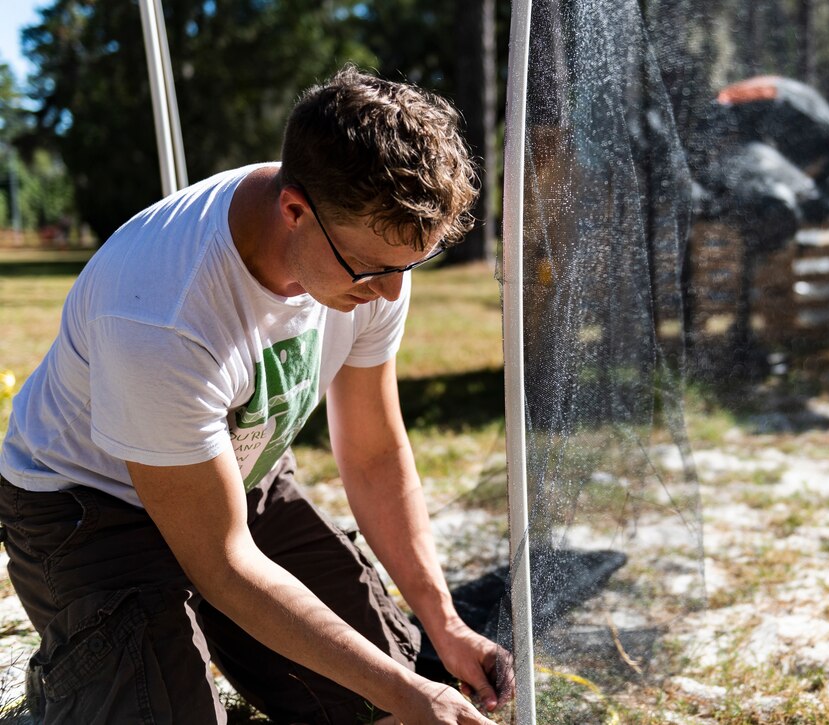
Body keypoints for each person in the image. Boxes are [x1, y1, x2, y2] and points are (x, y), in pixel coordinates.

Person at [0, 65, 511, 724]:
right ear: (294, 210)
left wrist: (446, 625)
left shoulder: (371, 242)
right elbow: (223, 562)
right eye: (374, 270)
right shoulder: (161, 314)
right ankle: (81, 680)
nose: (388, 293)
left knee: (381, 694)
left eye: (409, 267)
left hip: (237, 473)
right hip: (90, 509)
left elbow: (376, 454)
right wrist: (404, 691)